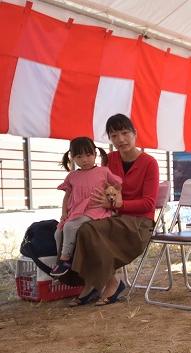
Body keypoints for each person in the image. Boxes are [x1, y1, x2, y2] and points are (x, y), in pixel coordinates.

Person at [60, 113, 159, 307]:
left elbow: (148, 204)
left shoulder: (149, 163)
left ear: (135, 133)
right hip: (111, 218)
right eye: (114, 135)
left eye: (125, 133)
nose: (120, 139)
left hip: (139, 223)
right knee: (78, 227)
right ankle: (96, 282)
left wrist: (117, 205)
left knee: (90, 230)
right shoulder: (109, 160)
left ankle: (107, 283)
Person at [51, 137, 123, 277]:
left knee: (69, 227)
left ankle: (65, 259)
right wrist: (64, 212)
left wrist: (118, 197)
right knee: (58, 232)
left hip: (96, 209)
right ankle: (60, 260)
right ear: (72, 158)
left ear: (95, 154)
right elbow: (67, 196)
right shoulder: (72, 176)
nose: (84, 160)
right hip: (77, 210)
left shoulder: (103, 171)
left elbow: (117, 186)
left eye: (88, 155)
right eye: (79, 156)